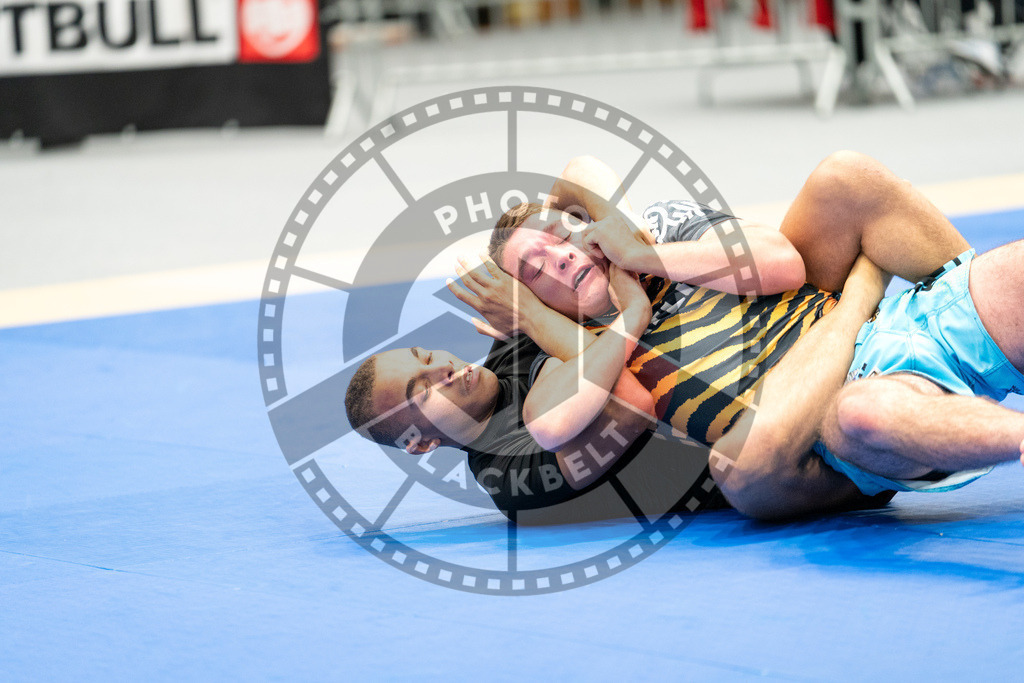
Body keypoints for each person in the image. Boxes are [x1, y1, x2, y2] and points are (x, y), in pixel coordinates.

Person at [347, 153, 1022, 520]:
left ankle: (966, 317)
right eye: (423, 386)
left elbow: (581, 173)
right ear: (418, 439)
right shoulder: (505, 465)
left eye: (429, 357)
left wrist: (624, 245)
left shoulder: (586, 283)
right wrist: (616, 313)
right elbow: (622, 403)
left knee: (844, 180)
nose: (444, 368)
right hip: (785, 443)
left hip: (819, 351)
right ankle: (873, 305)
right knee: (748, 464)